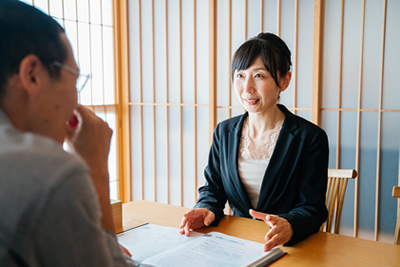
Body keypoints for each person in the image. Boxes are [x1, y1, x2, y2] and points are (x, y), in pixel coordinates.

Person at [0, 1, 132, 266]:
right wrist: (95, 169)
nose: (76, 98)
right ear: (33, 75)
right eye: (75, 78)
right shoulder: (50, 173)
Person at [179, 32, 329, 251]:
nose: (247, 88)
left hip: (288, 248)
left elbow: (312, 207)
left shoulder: (310, 137)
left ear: (284, 80)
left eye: (259, 76)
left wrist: (290, 225)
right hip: (236, 243)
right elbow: (213, 188)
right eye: (240, 75)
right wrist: (206, 208)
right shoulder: (224, 132)